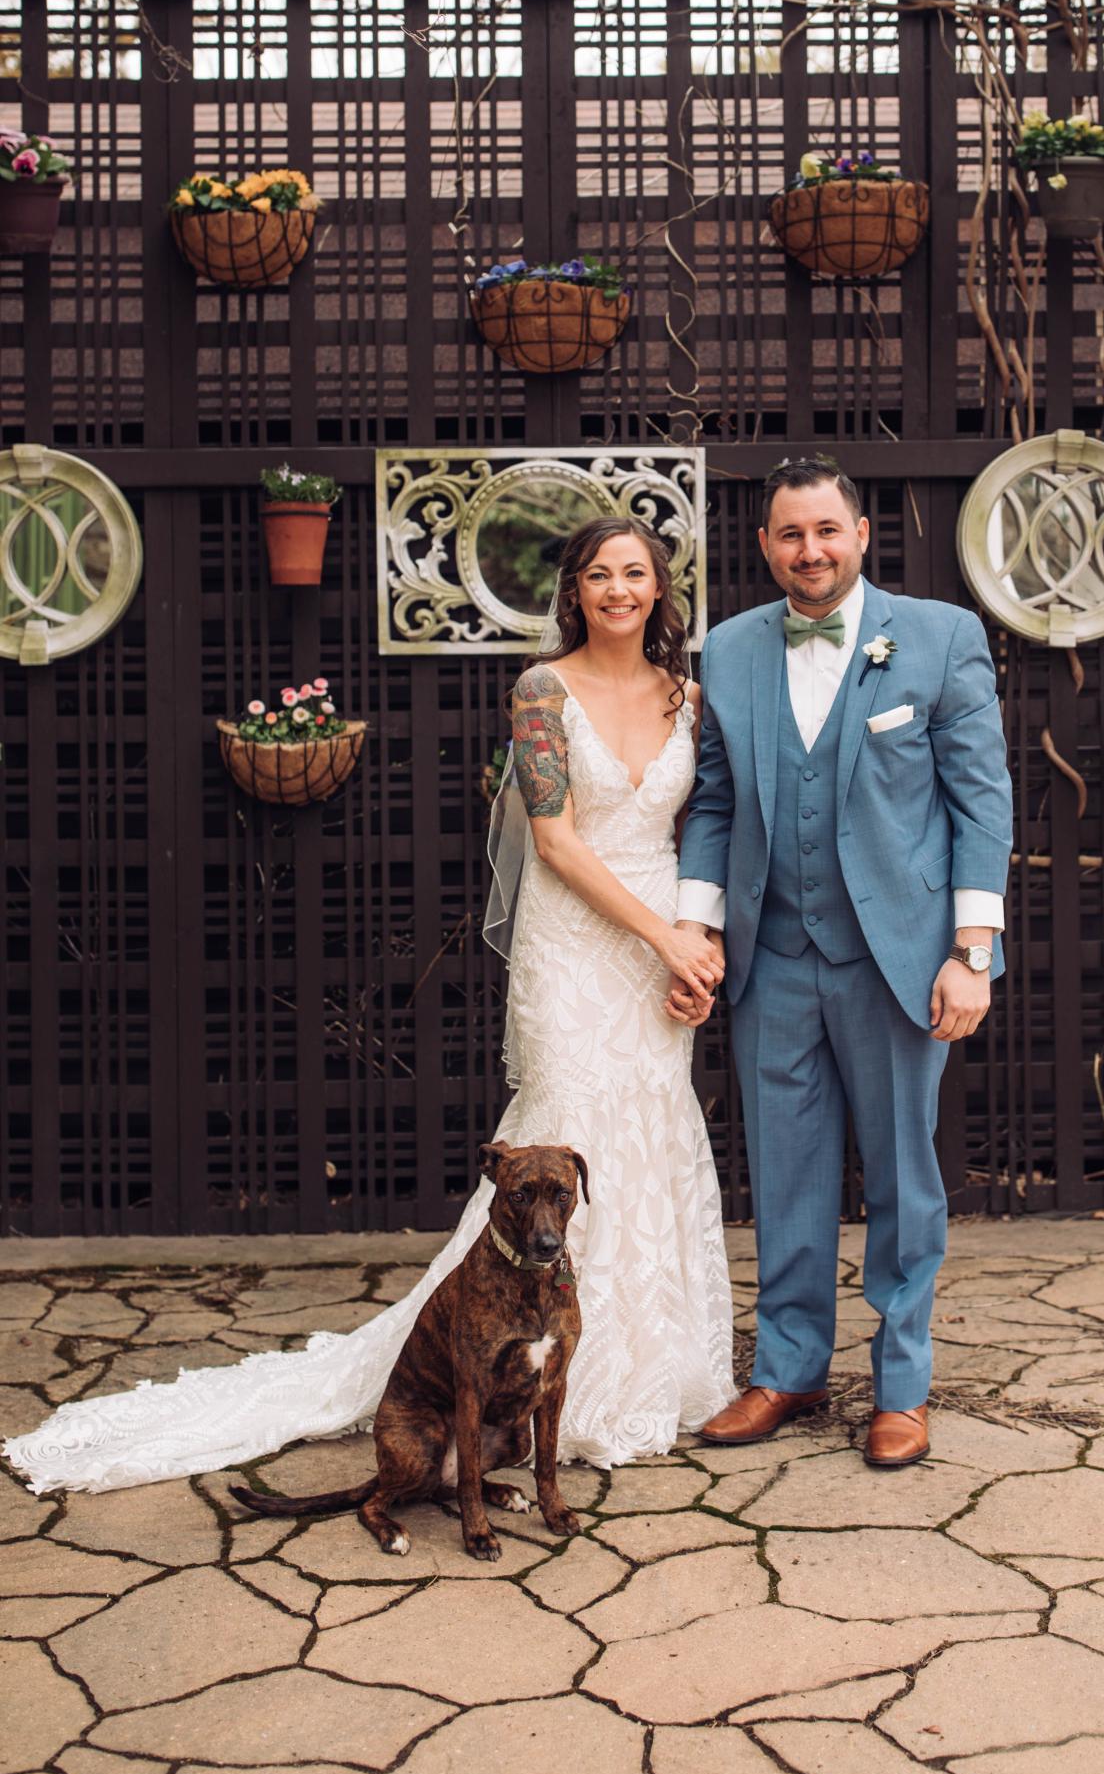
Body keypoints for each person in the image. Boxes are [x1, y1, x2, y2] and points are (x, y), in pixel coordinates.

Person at [4, 517, 735, 1493]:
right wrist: (662, 935)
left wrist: (699, 940)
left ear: (658, 588)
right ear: (575, 591)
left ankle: (635, 1372)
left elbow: (710, 821)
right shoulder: (539, 690)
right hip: (577, 944)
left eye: (634, 572)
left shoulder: (687, 697)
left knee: (650, 1131)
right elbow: (555, 843)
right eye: (598, 573)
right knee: (564, 1130)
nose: (616, 588)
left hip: (662, 940)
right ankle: (510, 1367)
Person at [671, 456, 1012, 1468]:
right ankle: (788, 1368)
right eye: (789, 533)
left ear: (862, 535)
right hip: (771, 957)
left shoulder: (941, 637)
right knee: (785, 1173)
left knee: (906, 1176)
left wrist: (971, 952)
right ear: (765, 544)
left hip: (899, 959)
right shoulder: (728, 652)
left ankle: (901, 1387)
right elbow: (718, 802)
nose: (809, 551)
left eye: (826, 530)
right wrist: (699, 928)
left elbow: (980, 801)